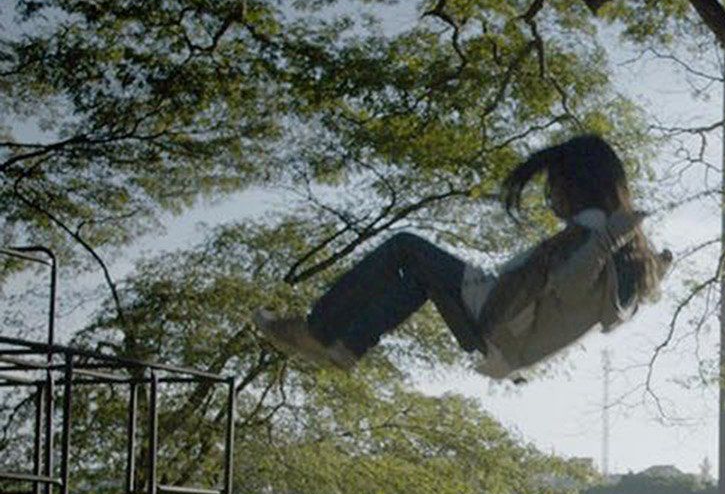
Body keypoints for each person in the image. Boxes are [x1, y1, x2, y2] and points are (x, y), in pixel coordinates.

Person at [256, 133, 672, 379]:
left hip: (497, 316)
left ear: (578, 184)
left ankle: (319, 329)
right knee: (420, 278)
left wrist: (607, 240)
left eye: (555, 187)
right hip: (508, 336)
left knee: (405, 246)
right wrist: (654, 264)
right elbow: (609, 301)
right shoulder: (623, 254)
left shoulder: (595, 235)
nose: (551, 198)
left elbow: (569, 284)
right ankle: (348, 346)